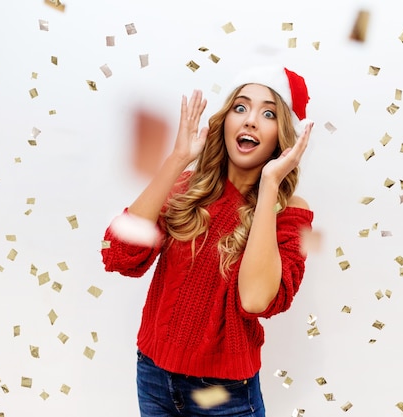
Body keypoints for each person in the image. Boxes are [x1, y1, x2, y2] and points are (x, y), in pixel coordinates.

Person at [101, 65, 314, 417]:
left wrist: (269, 186)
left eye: (268, 113)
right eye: (240, 108)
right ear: (226, 121)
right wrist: (178, 159)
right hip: (153, 376)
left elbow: (257, 300)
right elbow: (120, 255)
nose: (250, 121)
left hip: (224, 396)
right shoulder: (186, 187)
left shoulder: (290, 213)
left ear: (282, 136)